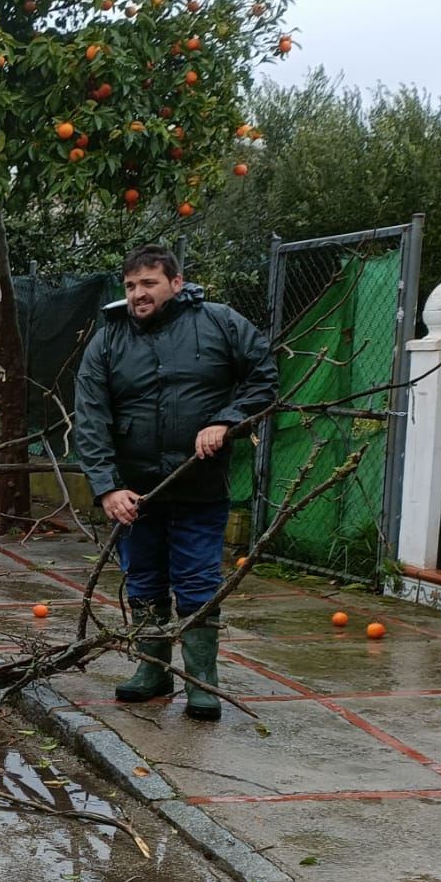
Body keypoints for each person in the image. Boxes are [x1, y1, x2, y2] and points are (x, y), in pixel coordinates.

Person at [73, 245, 277, 722]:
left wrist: (227, 420)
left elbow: (263, 377)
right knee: (144, 580)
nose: (138, 294)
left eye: (148, 283)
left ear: (177, 283)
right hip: (135, 492)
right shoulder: (108, 340)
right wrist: (107, 487)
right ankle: (152, 671)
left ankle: (202, 681)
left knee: (198, 582)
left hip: (199, 486)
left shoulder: (221, 323)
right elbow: (91, 419)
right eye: (130, 286)